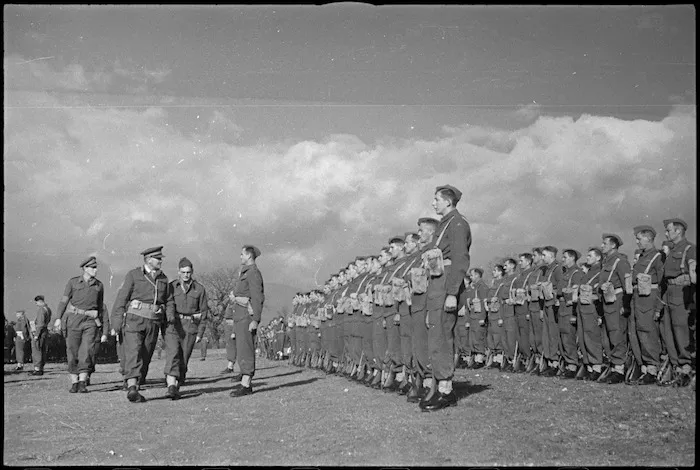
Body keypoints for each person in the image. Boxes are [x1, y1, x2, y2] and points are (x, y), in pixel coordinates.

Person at [421, 184, 471, 411]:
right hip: (436, 285)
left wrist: (453, 293)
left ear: (448, 201)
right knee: (435, 337)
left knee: (442, 337)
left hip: (447, 283)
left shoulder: (457, 224)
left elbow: (460, 259)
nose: (433, 203)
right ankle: (438, 386)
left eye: (436, 199)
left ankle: (445, 390)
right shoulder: (445, 225)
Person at [111, 246, 170, 403]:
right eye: (158, 258)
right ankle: (132, 388)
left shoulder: (163, 278)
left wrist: (167, 317)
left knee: (146, 354)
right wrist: (116, 323)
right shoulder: (134, 275)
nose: (161, 261)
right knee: (133, 352)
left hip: (153, 322)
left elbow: (167, 300)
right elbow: (121, 299)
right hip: (134, 320)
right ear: (148, 259)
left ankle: (135, 380)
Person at [54, 256, 106, 393]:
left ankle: (83, 381)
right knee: (72, 351)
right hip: (74, 320)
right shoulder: (73, 282)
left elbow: (100, 306)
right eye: (93, 267)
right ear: (85, 268)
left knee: (87, 351)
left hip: (90, 322)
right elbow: (64, 301)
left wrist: (100, 323)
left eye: (96, 267)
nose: (96, 270)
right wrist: (58, 318)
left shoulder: (99, 285)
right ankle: (74, 381)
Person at [164, 257, 209, 399]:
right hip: (173, 326)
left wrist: (200, 333)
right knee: (173, 354)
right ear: (178, 272)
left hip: (190, 327)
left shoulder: (200, 289)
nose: (186, 275)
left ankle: (178, 384)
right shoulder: (171, 287)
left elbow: (204, 313)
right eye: (183, 272)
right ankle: (171, 386)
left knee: (183, 358)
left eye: (188, 272)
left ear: (192, 272)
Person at [660, 218, 696, 387]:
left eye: (668, 230)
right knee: (669, 332)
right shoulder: (671, 251)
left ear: (678, 231)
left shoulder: (689, 249)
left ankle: (686, 368)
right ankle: (676, 368)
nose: (666, 233)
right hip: (669, 292)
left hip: (681, 293)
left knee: (681, 330)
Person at [628, 225, 665, 385]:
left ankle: (652, 369)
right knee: (636, 333)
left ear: (648, 239)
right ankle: (643, 368)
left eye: (639, 238)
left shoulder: (658, 257)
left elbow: (663, 284)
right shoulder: (642, 257)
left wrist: (658, 307)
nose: (636, 242)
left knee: (647, 333)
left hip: (649, 300)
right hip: (636, 299)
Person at [229, 245, 265, 397]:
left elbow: (258, 298)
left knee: (246, 350)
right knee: (242, 349)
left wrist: (255, 319)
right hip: (240, 316)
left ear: (249, 256)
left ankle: (246, 384)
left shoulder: (253, 273)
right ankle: (244, 380)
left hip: (246, 318)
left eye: (242, 254)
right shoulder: (246, 272)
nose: (240, 257)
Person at [597, 233, 632, 384]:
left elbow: (628, 287)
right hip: (607, 302)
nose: (602, 246)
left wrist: (626, 305)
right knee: (608, 337)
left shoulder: (620, 261)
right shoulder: (606, 263)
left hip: (617, 302)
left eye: (605, 243)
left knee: (617, 335)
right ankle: (613, 366)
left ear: (613, 245)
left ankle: (619, 370)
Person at [30, 295, 52, 375]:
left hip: (40, 332)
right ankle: (41, 368)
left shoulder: (41, 310)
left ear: (39, 301)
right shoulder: (48, 309)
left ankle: (37, 369)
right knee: (42, 350)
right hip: (44, 331)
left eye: (36, 302)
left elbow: (40, 324)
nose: (36, 304)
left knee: (37, 350)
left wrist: (36, 335)